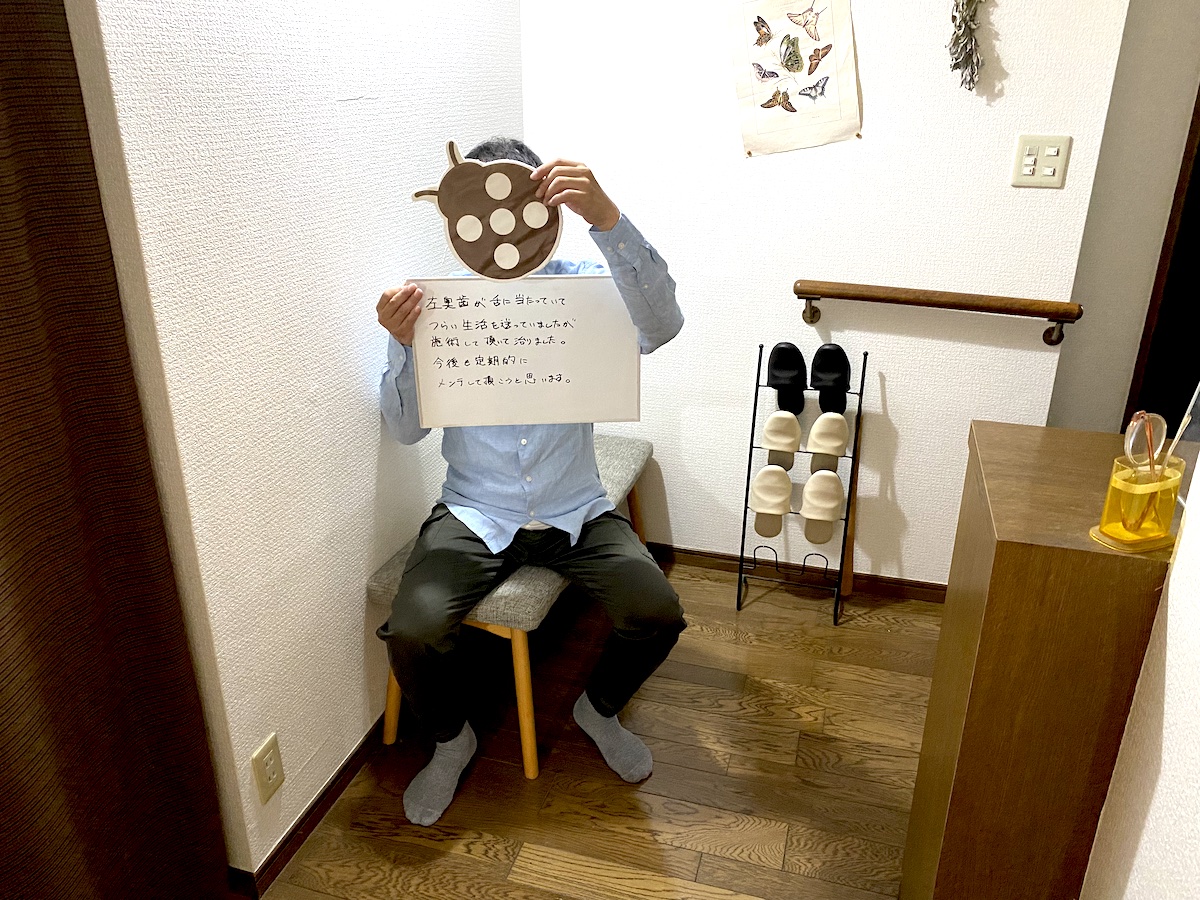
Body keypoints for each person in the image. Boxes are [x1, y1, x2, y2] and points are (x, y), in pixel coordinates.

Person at [375, 138, 686, 827]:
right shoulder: (440, 306)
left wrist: (609, 218)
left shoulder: (585, 287)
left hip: (575, 505)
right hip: (475, 508)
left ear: (546, 209)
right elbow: (404, 430)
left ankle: (597, 709)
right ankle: (452, 740)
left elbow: (662, 325)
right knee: (412, 631)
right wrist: (400, 343)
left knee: (657, 612)